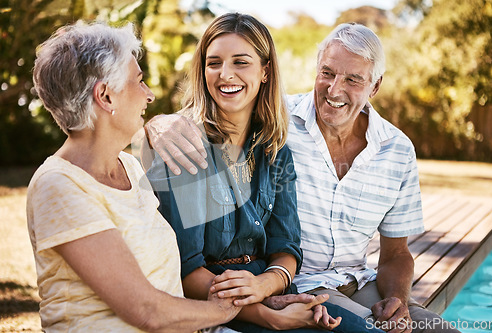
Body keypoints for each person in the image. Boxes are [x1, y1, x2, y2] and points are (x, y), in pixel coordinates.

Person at [145, 22, 461, 333]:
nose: (335, 89)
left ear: (374, 86)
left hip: (335, 282)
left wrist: (396, 300)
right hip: (296, 286)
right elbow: (187, 266)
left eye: (353, 79)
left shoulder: (276, 139)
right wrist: (158, 123)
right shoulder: (272, 124)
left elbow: (393, 253)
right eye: (327, 73)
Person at [27, 21, 244, 332]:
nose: (150, 94)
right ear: (106, 96)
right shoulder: (58, 185)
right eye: (138, 82)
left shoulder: (129, 167)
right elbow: (147, 311)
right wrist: (223, 311)